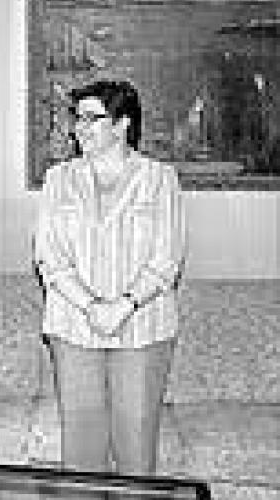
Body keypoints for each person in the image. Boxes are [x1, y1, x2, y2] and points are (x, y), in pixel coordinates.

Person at [33, 80, 186, 497]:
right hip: (73, 326)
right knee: (81, 449)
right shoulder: (58, 179)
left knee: (136, 447)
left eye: (92, 118)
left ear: (122, 124)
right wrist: (91, 306)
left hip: (142, 329)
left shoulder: (159, 178)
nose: (78, 128)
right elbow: (49, 257)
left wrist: (123, 305)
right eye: (77, 118)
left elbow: (166, 258)